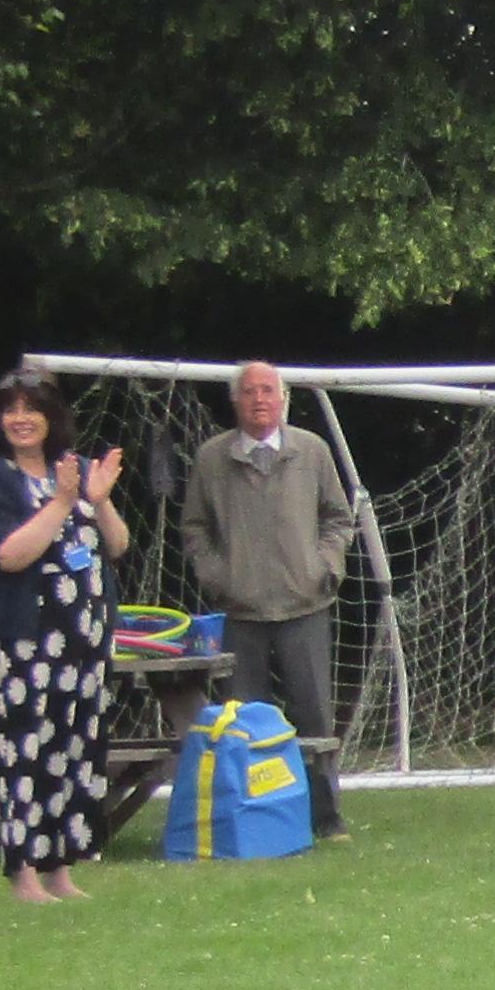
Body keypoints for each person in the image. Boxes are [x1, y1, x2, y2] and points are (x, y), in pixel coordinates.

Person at [0, 370, 131, 907]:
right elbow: (9, 555)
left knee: (76, 752)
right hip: (27, 644)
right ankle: (24, 875)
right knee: (26, 755)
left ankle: (61, 867)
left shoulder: (77, 469)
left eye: (31, 408)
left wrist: (99, 500)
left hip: (85, 643)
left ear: (52, 416)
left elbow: (117, 545)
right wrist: (61, 503)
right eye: (10, 409)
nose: (20, 419)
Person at [185, 360, 360, 842]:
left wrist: (324, 568)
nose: (259, 399)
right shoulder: (212, 458)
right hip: (239, 613)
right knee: (242, 723)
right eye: (249, 391)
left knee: (315, 718)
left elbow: (338, 518)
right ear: (234, 401)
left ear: (283, 399)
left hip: (305, 607)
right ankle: (251, 820)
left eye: (268, 390)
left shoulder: (312, 450)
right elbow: (195, 528)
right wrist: (217, 577)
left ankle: (327, 818)